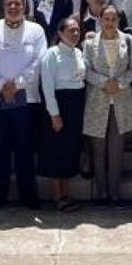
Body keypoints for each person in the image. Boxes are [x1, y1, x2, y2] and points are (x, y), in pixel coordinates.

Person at [0, 0, 47, 209]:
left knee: (25, 148)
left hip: (26, 99)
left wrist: (15, 84)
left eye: (18, 4)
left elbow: (39, 60)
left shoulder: (36, 31)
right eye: (10, 4)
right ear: (4, 6)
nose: (14, 7)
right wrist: (1, 84)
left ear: (25, 7)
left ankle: (29, 196)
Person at [82, 6, 132, 204]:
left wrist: (119, 84)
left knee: (116, 149)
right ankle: (101, 191)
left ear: (119, 21)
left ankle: (114, 192)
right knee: (98, 149)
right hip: (98, 100)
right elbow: (86, 71)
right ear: (100, 20)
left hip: (121, 101)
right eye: (106, 18)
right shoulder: (89, 44)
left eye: (114, 19)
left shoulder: (128, 41)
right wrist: (104, 82)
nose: (110, 22)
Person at [37, 15, 88, 211]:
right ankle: (57, 195)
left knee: (69, 150)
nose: (75, 34)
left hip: (75, 106)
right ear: (60, 34)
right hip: (59, 105)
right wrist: (54, 114)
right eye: (70, 30)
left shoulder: (78, 53)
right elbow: (47, 86)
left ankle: (67, 192)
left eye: (77, 30)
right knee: (56, 151)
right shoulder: (52, 54)